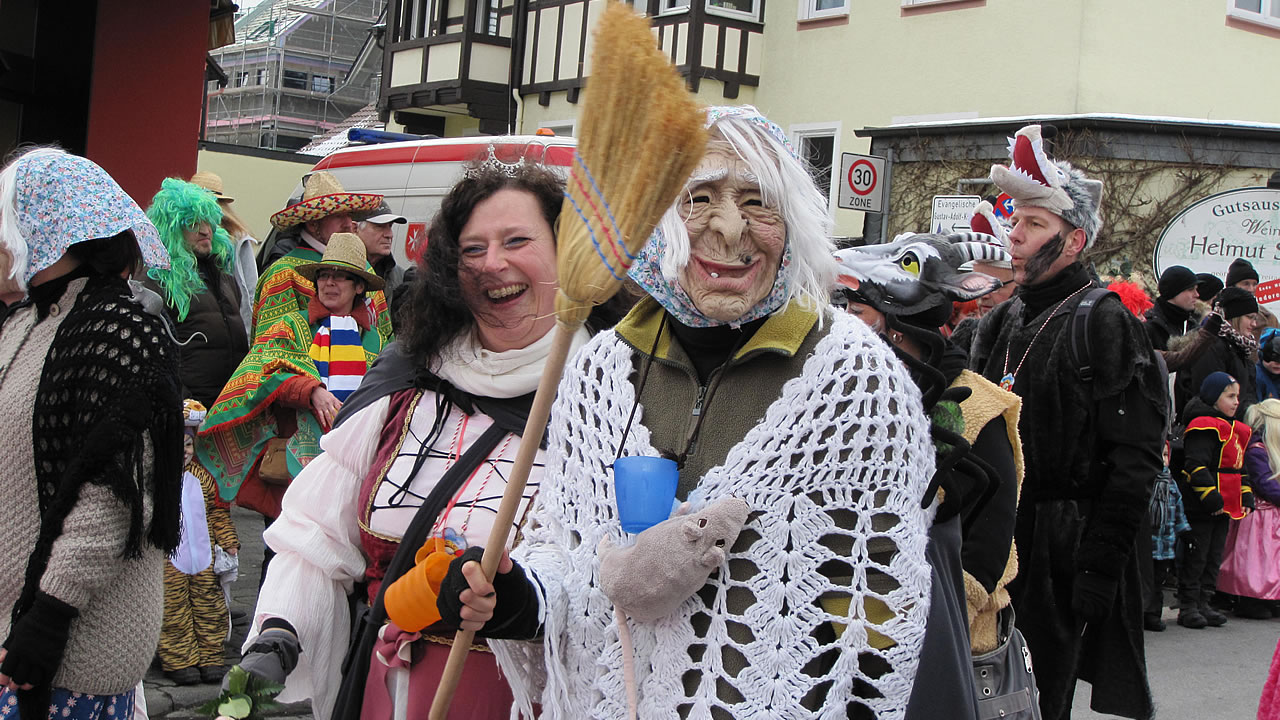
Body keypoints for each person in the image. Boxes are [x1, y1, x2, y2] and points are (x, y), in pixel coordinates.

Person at [444, 106, 973, 719]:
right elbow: (573, 563)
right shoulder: (600, 371)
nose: (729, 228)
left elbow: (881, 615)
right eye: (698, 198)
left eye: (757, 201)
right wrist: (515, 595)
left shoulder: (854, 379)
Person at [224, 159, 625, 720]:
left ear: (568, 254)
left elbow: (619, 582)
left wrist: (517, 603)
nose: (493, 263)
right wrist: (279, 632)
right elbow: (315, 538)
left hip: (525, 700)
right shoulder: (405, 384)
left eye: (517, 240)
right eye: (472, 249)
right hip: (384, 691)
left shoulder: (614, 399)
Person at [970, 124, 1165, 720]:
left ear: (1074, 239)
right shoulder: (1001, 322)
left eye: (1034, 225)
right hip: (992, 544)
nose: (1015, 237)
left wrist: (1098, 565)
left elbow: (1135, 458)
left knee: (1036, 701)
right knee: (976, 696)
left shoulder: (1103, 320)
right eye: (1014, 222)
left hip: (1060, 548)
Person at [0, 147, 183, 719]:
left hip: (71, 643)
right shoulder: (26, 322)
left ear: (47, 227)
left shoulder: (120, 332)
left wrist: (49, 616)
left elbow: (114, 498)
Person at [834, 234, 1025, 666]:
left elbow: (988, 541)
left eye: (857, 312)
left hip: (944, 637)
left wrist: (932, 621)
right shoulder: (853, 398)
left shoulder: (977, 405)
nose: (845, 323)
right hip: (852, 634)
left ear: (898, 327)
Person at [198, 233, 388, 528]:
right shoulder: (290, 325)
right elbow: (261, 373)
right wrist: (310, 390)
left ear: (359, 286)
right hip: (294, 463)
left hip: (355, 465)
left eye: (340, 277)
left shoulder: (375, 340)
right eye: (324, 275)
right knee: (281, 554)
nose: (329, 283)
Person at [144, 177, 251, 408]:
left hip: (231, 409)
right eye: (192, 223)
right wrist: (183, 404)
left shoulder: (224, 277)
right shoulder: (157, 280)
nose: (205, 231)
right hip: (189, 414)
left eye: (208, 221)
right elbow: (151, 354)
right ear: (171, 227)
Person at [157, 401, 239, 685]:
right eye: (176, 445)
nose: (183, 452)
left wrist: (228, 542)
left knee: (210, 605)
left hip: (204, 557)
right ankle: (180, 659)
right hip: (171, 559)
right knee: (173, 608)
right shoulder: (159, 481)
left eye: (188, 446)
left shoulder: (203, 477)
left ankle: (210, 656)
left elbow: (218, 512)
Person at [1177, 371, 1254, 628]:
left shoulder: (1236, 429)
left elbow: (1239, 468)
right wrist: (1211, 498)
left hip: (1226, 505)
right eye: (1229, 396)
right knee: (1197, 555)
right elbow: (1196, 466)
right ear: (1213, 397)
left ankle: (1204, 601)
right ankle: (1188, 605)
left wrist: (1245, 495)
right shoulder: (1203, 425)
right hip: (1204, 505)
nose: (1236, 402)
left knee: (1214, 555)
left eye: (1237, 397)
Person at [1218, 399, 1280, 619]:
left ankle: (1271, 597)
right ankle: (1250, 598)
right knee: (1256, 560)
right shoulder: (1257, 450)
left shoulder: (1266, 449)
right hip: (1260, 515)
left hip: (1272, 514)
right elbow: (1265, 483)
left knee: (1272, 561)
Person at [190, 170, 259, 335]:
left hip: (235, 326)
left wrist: (248, 334)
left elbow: (250, 290)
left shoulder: (238, 239)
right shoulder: (187, 239)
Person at [1176, 287, 1260, 418]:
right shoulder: (1211, 346)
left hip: (1234, 425)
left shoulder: (1241, 346)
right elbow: (1208, 396)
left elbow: (1248, 392)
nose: (1254, 324)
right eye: (1249, 317)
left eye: (1255, 318)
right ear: (1234, 317)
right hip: (1213, 427)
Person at [1143, 443, 1189, 632]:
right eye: (1160, 454)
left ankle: (1153, 614)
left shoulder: (1171, 482)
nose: (1163, 460)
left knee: (1158, 581)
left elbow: (1179, 509)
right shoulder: (1146, 480)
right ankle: (1142, 612)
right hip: (1147, 543)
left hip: (1166, 544)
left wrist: (1185, 531)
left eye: (1166, 455)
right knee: (1144, 580)